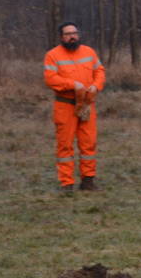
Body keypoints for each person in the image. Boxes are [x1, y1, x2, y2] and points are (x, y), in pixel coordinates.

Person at [43, 22, 106, 192]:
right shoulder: (52, 55)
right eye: (68, 34)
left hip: (87, 104)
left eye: (75, 33)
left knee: (89, 143)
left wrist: (96, 86)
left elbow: (100, 71)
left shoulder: (89, 51)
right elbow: (50, 79)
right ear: (61, 37)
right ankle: (66, 184)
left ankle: (88, 181)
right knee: (65, 144)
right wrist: (72, 85)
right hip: (65, 105)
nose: (72, 36)